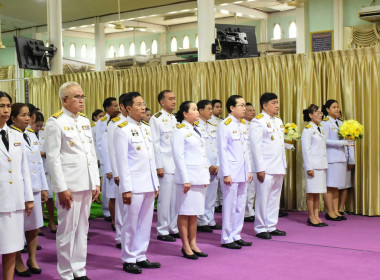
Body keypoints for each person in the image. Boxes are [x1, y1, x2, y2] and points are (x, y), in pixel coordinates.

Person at [45, 81, 100, 280]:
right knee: (67, 230)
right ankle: (66, 273)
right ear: (64, 100)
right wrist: (61, 188)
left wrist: (96, 181)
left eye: (82, 96)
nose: (81, 100)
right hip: (69, 185)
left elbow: (90, 153)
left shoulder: (84, 121)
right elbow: (53, 158)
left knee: (82, 229)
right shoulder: (56, 121)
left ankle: (79, 269)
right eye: (76, 97)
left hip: (86, 183)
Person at [113, 92, 160, 274]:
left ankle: (141, 255)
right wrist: (126, 188)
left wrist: (155, 183)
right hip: (133, 185)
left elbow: (151, 159)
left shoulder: (146, 128)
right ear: (127, 108)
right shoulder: (122, 129)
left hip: (148, 183)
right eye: (138, 104)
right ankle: (129, 258)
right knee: (131, 223)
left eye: (143, 103)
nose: (143, 107)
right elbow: (122, 162)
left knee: (145, 222)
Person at [8, 103, 48, 276]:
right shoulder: (9, 135)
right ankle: (17, 260)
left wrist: (44, 187)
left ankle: (32, 258)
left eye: (28, 115)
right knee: (17, 228)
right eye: (22, 115)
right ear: (13, 118)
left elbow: (38, 163)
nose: (26, 118)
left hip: (35, 187)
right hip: (17, 189)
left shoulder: (31, 135)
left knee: (33, 226)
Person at [0, 92, 34, 280]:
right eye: (1, 106)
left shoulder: (16, 135)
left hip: (14, 201)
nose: (5, 110)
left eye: (7, 105)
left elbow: (24, 170)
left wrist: (28, 198)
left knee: (12, 247)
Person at [172, 101, 210, 259]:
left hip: (198, 177)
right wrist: (185, 179)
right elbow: (178, 156)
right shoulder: (180, 130)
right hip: (187, 179)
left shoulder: (197, 130)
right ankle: (185, 246)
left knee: (194, 213)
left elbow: (202, 156)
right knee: (184, 212)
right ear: (185, 114)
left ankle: (194, 243)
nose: (197, 112)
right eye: (193, 109)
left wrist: (205, 176)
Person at [250, 93, 287, 240]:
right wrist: (260, 168)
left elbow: (280, 145)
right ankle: (260, 227)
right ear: (264, 105)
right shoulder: (258, 121)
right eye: (273, 102)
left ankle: (271, 225)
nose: (277, 105)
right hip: (266, 166)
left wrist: (283, 165)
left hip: (278, 165)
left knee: (274, 198)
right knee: (263, 198)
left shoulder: (278, 121)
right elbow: (255, 147)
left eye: (277, 102)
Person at [218, 95, 253, 249]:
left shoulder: (243, 125)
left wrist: (250, 170)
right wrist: (226, 173)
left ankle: (236, 234)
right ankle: (227, 237)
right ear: (232, 108)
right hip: (231, 172)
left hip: (243, 171)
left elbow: (247, 151)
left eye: (245, 105)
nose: (244, 108)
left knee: (240, 205)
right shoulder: (225, 125)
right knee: (229, 205)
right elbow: (222, 151)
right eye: (241, 105)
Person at [150, 90, 179, 242]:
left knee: (175, 199)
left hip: (175, 164)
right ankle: (162, 229)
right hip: (165, 164)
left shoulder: (174, 118)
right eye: (170, 99)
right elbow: (155, 143)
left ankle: (173, 227)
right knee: (165, 200)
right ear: (162, 102)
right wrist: (158, 165)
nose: (174, 101)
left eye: (174, 99)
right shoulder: (157, 119)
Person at [321, 100, 353, 221]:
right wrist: (342, 142)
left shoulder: (340, 123)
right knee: (330, 186)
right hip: (331, 158)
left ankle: (335, 211)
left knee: (336, 187)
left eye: (338, 107)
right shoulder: (325, 123)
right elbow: (325, 140)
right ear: (327, 110)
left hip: (341, 157)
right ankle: (329, 211)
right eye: (334, 107)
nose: (337, 109)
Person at [196, 100, 221, 233]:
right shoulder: (195, 127)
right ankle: (201, 221)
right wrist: (208, 165)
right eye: (209, 109)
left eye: (212, 109)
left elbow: (217, 148)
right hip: (203, 166)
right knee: (202, 195)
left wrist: (217, 165)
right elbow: (198, 150)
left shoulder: (212, 126)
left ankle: (210, 220)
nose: (211, 111)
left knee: (212, 196)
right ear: (200, 111)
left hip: (214, 167)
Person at [107, 93, 128, 249]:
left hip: (135, 172)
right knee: (121, 207)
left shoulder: (138, 123)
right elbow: (111, 150)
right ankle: (121, 236)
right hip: (121, 172)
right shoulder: (115, 123)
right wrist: (116, 173)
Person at [301, 104, 328, 227]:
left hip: (321, 165)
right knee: (312, 192)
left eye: (321, 112)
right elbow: (306, 150)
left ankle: (317, 216)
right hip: (313, 166)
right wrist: (309, 167)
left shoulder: (320, 128)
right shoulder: (308, 130)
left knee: (318, 192)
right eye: (317, 112)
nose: (320, 114)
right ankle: (311, 216)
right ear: (311, 115)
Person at [32, 111, 57, 233]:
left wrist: (44, 154)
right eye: (37, 125)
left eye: (41, 125)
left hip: (45, 170)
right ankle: (38, 225)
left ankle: (52, 222)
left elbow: (52, 151)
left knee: (50, 198)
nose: (39, 128)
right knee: (37, 200)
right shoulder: (27, 134)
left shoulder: (44, 134)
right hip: (33, 172)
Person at [96, 98, 119, 220]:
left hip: (115, 159)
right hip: (106, 158)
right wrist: (103, 160)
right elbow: (100, 143)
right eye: (114, 106)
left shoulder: (119, 120)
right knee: (108, 187)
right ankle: (107, 211)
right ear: (107, 108)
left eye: (117, 106)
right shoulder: (102, 121)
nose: (117, 108)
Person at [100, 110, 121, 232]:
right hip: (112, 171)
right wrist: (108, 169)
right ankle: (114, 220)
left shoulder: (120, 132)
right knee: (113, 197)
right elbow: (106, 153)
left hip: (120, 169)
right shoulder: (106, 134)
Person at [337, 111, 355, 215]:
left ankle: (341, 208)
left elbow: (350, 146)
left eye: (339, 113)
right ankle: (332, 208)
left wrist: (351, 160)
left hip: (346, 159)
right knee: (333, 186)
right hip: (334, 160)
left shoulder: (347, 128)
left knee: (345, 185)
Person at [209, 99, 223, 213]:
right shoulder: (207, 122)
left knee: (219, 185)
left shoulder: (222, 122)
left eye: (220, 107)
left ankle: (220, 203)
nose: (219, 109)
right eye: (216, 107)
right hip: (210, 160)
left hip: (219, 157)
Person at [243, 102, 256, 223]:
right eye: (249, 110)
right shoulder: (242, 125)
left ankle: (250, 210)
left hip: (255, 161)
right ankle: (246, 212)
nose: (253, 112)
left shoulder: (256, 125)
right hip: (247, 161)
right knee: (247, 188)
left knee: (253, 189)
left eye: (253, 110)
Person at [91, 109, 104, 205]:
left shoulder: (103, 126)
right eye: (100, 116)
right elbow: (93, 144)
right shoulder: (93, 128)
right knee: (97, 177)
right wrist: (96, 157)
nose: (102, 118)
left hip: (102, 153)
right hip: (96, 154)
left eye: (103, 116)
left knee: (102, 176)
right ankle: (96, 197)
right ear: (95, 118)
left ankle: (99, 196)